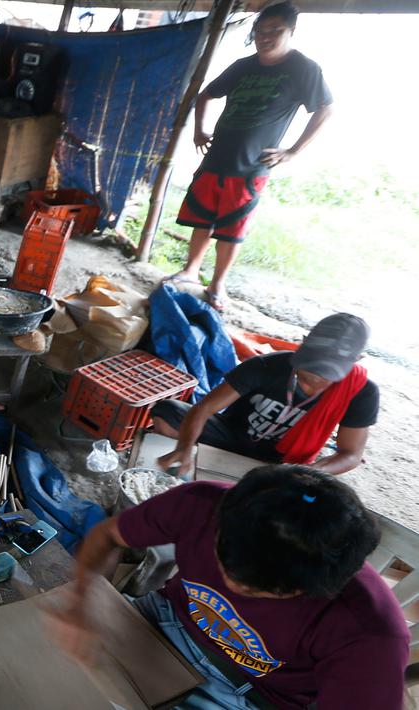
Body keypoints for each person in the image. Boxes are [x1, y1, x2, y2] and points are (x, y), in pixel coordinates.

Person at [54, 465, 409, 709]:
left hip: (251, 692)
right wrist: (82, 601)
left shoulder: (370, 632)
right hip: (166, 621)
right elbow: (107, 536)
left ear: (323, 587)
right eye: (224, 563)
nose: (233, 586)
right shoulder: (203, 503)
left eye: (259, 591)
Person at [165, 1, 333, 311]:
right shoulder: (243, 66)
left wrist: (294, 151)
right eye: (260, 30)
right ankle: (190, 271)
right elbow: (206, 95)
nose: (265, 37)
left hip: (252, 166)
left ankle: (217, 286)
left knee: (232, 227)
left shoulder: (303, 68)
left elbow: (324, 108)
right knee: (202, 216)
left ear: (291, 31)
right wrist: (198, 132)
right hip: (216, 158)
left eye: (275, 31)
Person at [154, 312, 376, 475]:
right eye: (310, 366)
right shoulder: (266, 366)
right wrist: (184, 447)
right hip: (233, 435)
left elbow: (351, 454)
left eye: (327, 373)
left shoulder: (361, 392)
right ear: (303, 343)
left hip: (283, 460)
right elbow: (203, 409)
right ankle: (194, 458)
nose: (316, 378)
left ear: (356, 360)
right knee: (167, 412)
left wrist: (310, 472)